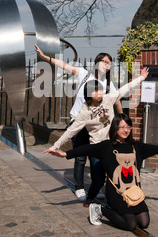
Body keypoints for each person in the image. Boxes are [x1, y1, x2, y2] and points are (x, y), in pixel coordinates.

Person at [46, 114, 158, 231]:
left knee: (144, 223)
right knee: (130, 225)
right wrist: (65, 154)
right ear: (115, 129)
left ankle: (111, 211)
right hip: (116, 192)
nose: (126, 130)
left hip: (134, 192)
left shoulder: (136, 146)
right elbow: (85, 149)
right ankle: (100, 209)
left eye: (128, 127)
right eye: (122, 127)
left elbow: (157, 149)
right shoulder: (106, 147)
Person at [43, 69, 149, 205]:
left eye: (101, 90)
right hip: (97, 147)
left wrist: (141, 78)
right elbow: (71, 131)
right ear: (89, 94)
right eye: (96, 91)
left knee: (115, 176)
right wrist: (55, 146)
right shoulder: (84, 111)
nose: (100, 93)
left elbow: (124, 89)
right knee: (98, 178)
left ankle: (117, 201)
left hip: (113, 144)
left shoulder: (108, 99)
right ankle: (89, 199)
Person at [35, 44, 122, 201]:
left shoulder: (109, 84)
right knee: (80, 155)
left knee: (97, 155)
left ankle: (96, 186)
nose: (106, 65)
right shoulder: (84, 74)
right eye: (104, 61)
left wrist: (122, 119)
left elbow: (116, 101)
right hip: (79, 120)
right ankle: (79, 187)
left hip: (96, 125)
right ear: (97, 63)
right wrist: (45, 58)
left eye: (109, 63)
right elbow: (65, 66)